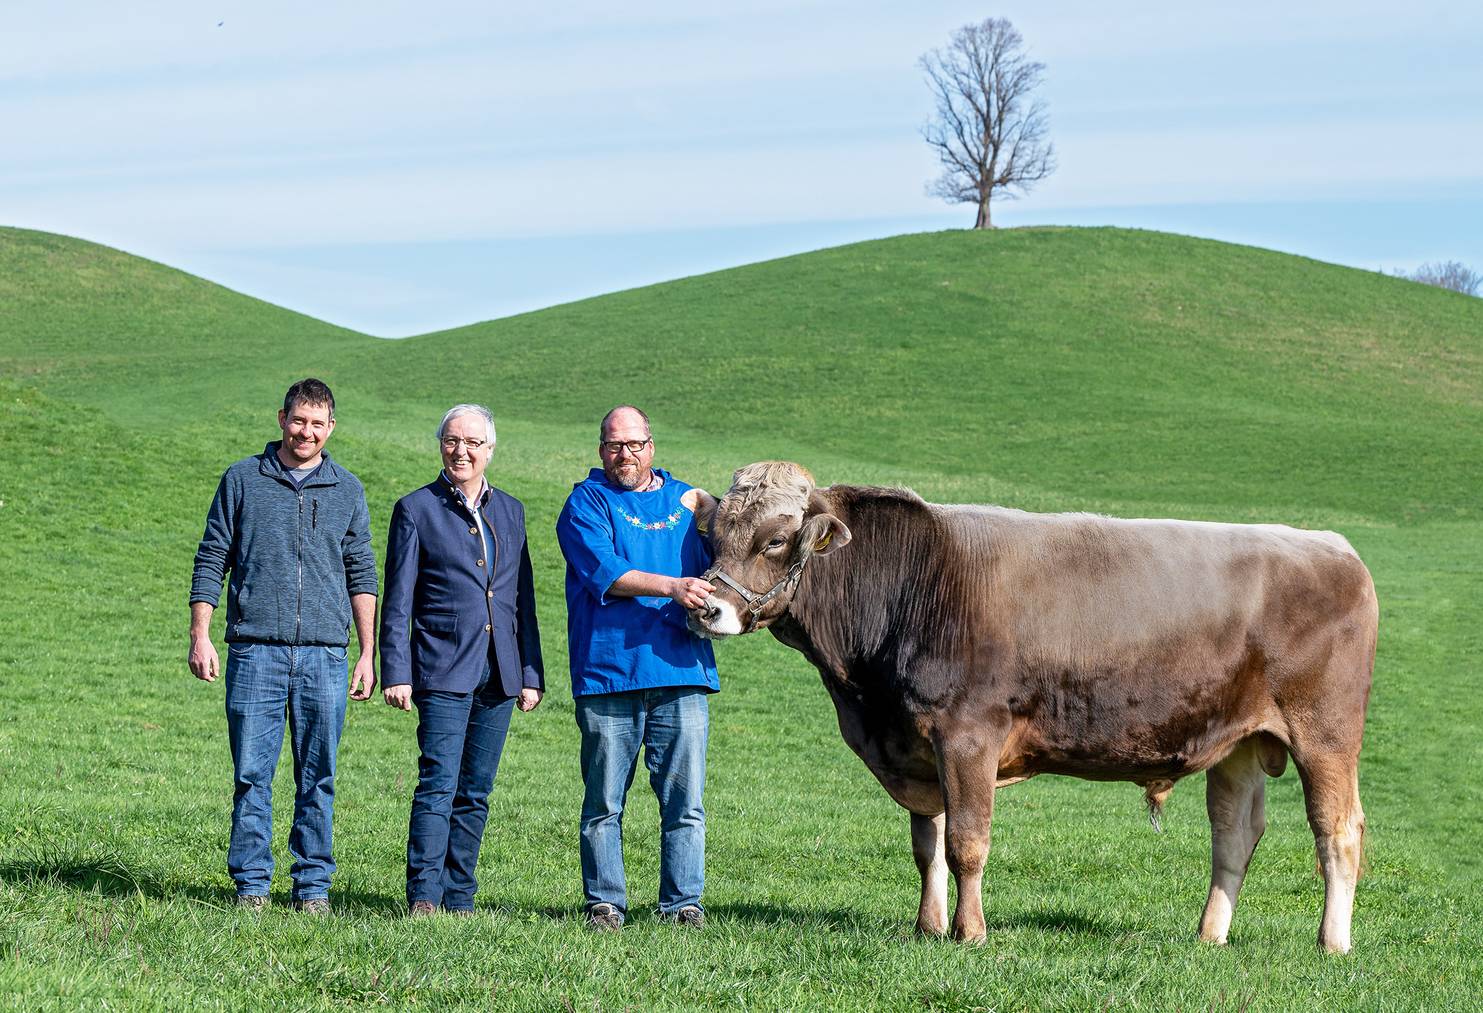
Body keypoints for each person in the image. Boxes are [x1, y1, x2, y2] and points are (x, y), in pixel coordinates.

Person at [188, 378, 378, 914]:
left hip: (325, 654)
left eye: (318, 424)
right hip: (255, 652)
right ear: (281, 419)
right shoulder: (243, 479)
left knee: (318, 776)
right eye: (299, 420)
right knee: (252, 775)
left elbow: (361, 572)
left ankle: (312, 888)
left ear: (331, 428)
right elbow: (210, 559)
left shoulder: (348, 489)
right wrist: (200, 635)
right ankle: (251, 885)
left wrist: (366, 652)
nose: (307, 432)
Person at [555, 405, 719, 931]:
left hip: (681, 668)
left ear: (652, 445)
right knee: (604, 799)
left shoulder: (689, 500)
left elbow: (731, 551)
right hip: (609, 671)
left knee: (684, 801)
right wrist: (673, 586)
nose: (623, 454)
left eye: (633, 444)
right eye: (612, 445)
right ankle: (605, 902)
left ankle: (682, 903)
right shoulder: (586, 502)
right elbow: (607, 572)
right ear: (600, 449)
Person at [380, 404, 544, 917]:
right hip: (441, 667)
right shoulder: (416, 509)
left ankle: (460, 897)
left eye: (473, 442)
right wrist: (397, 671)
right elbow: (398, 598)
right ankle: (424, 896)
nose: (462, 451)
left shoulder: (512, 510)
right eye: (453, 441)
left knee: (476, 790)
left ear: (490, 449)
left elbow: (523, 598)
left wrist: (530, 672)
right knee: (438, 783)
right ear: (441, 445)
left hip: (500, 672)